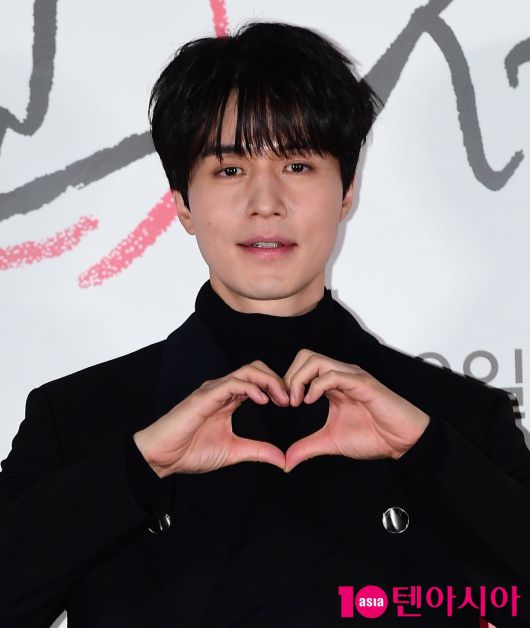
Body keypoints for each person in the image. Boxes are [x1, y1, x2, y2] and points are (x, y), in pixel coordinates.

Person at [1, 21, 530, 628]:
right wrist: (139, 468)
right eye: (229, 170)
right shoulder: (80, 421)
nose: (266, 203)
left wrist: (430, 455)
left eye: (298, 165)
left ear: (347, 192)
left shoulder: (456, 421)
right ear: (182, 203)